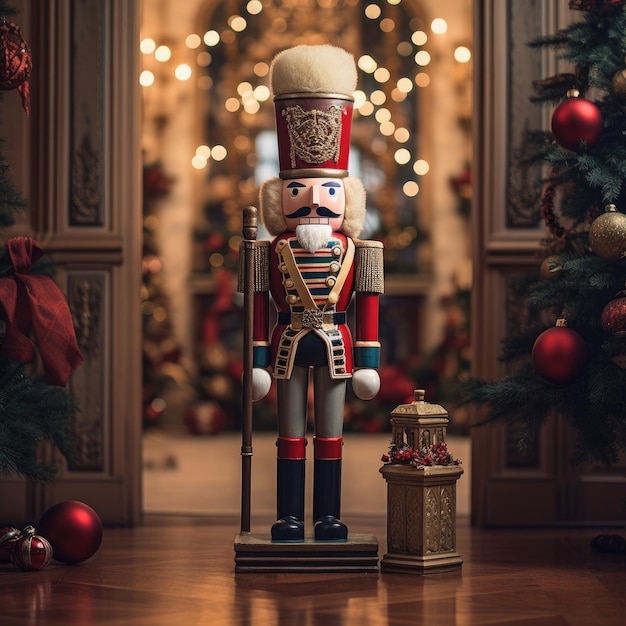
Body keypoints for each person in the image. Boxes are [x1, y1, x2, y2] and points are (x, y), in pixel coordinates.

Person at [249, 45, 384, 542]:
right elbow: (259, 308)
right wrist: (258, 359)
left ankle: (327, 517)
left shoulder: (361, 249)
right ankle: (288, 517)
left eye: (326, 192)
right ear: (278, 196)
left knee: (330, 437)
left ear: (345, 199)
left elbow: (366, 309)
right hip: (285, 347)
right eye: (297, 190)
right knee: (289, 438)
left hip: (336, 345)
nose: (312, 201)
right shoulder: (269, 250)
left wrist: (369, 359)